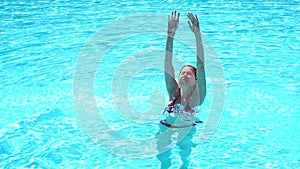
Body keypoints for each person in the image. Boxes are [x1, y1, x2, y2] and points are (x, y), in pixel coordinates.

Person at [156, 11, 206, 169]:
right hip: (165, 129)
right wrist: (170, 34)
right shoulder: (173, 93)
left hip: (186, 131)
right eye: (182, 73)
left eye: (189, 74)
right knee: (163, 158)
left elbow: (201, 65)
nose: (184, 75)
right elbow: (167, 63)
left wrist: (197, 35)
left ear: (196, 80)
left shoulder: (198, 97)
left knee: (185, 158)